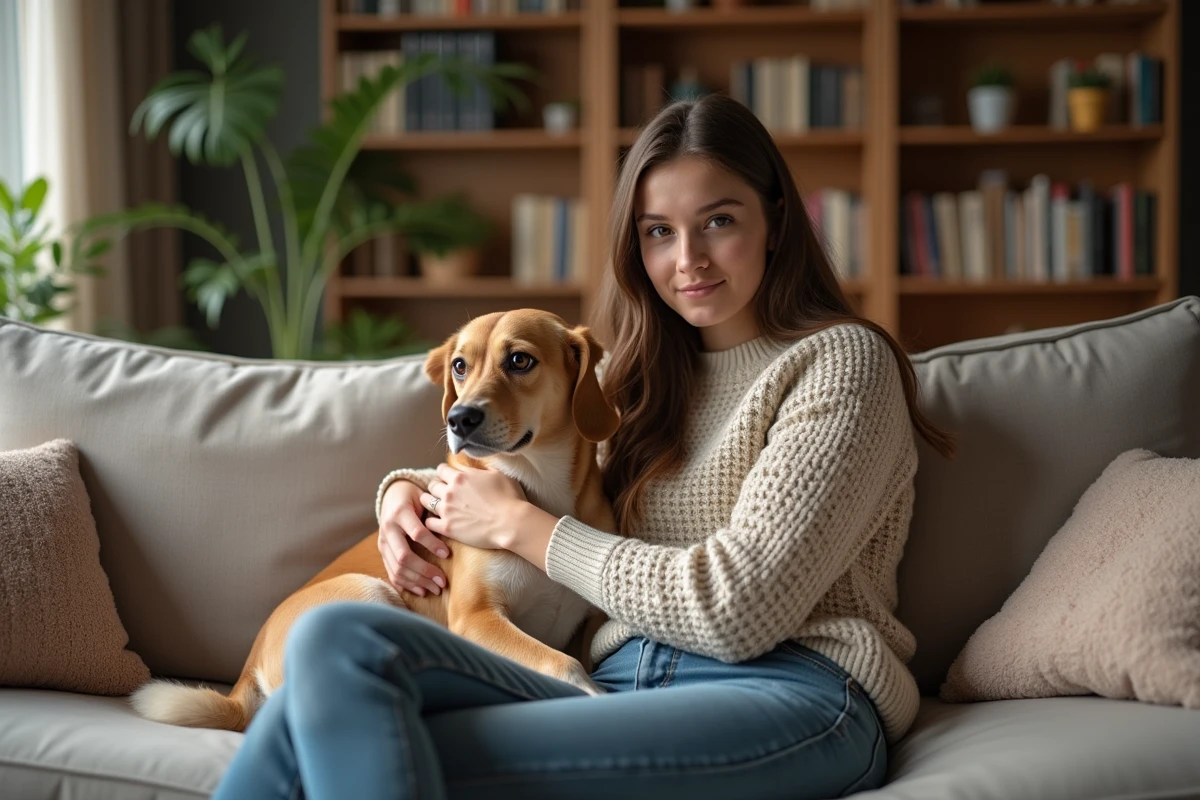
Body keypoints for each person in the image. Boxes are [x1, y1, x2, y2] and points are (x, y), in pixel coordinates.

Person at [213, 93, 955, 800]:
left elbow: (737, 609)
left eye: (719, 221)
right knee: (336, 639)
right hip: (617, 681)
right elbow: (541, 465)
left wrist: (519, 529)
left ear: (777, 220)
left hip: (792, 690)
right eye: (658, 231)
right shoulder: (637, 380)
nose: (688, 257)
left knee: (322, 734)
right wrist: (407, 492)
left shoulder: (840, 363)